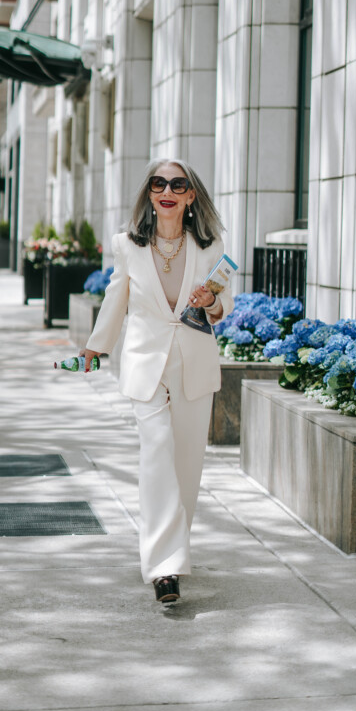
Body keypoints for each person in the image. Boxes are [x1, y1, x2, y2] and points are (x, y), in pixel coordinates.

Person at [82, 159, 234, 605]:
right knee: (156, 455)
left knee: (185, 469)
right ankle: (164, 569)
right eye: (158, 182)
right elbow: (116, 298)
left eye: (178, 184)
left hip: (194, 366)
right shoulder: (127, 245)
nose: (167, 189)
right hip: (146, 366)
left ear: (190, 196)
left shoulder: (210, 247)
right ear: (150, 194)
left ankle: (171, 549)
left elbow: (225, 302)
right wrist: (95, 347)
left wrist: (212, 302)